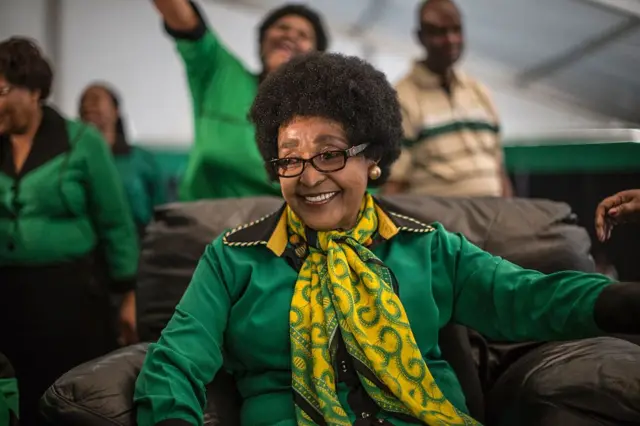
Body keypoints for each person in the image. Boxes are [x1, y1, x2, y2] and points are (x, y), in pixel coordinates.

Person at [134, 52, 639, 426]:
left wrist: (625, 301)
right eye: (290, 159)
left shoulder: (429, 248)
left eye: (329, 154)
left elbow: (529, 297)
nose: (308, 178)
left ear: (372, 158)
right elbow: (175, 361)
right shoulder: (232, 259)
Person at [0, 38, 139, 425]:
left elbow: (115, 222)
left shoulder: (82, 142)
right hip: (6, 295)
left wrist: (127, 293)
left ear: (34, 91)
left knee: (61, 397)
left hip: (69, 296)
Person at [152, 0, 328, 201]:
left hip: (282, 225)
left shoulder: (324, 116)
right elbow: (187, 24)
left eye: (303, 35)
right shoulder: (220, 72)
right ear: (262, 41)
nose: (290, 36)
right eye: (282, 28)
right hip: (201, 222)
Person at [383, 0, 513, 198]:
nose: (451, 39)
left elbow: (498, 170)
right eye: (439, 32)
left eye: (457, 30)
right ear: (420, 37)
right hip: (442, 223)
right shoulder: (402, 99)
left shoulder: (478, 91)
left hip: (494, 218)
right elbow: (395, 183)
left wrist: (510, 215)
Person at [79, 83, 167, 237]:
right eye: (85, 101)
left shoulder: (142, 160)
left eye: (96, 98)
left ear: (116, 111)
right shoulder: (75, 162)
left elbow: (162, 211)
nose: (89, 104)